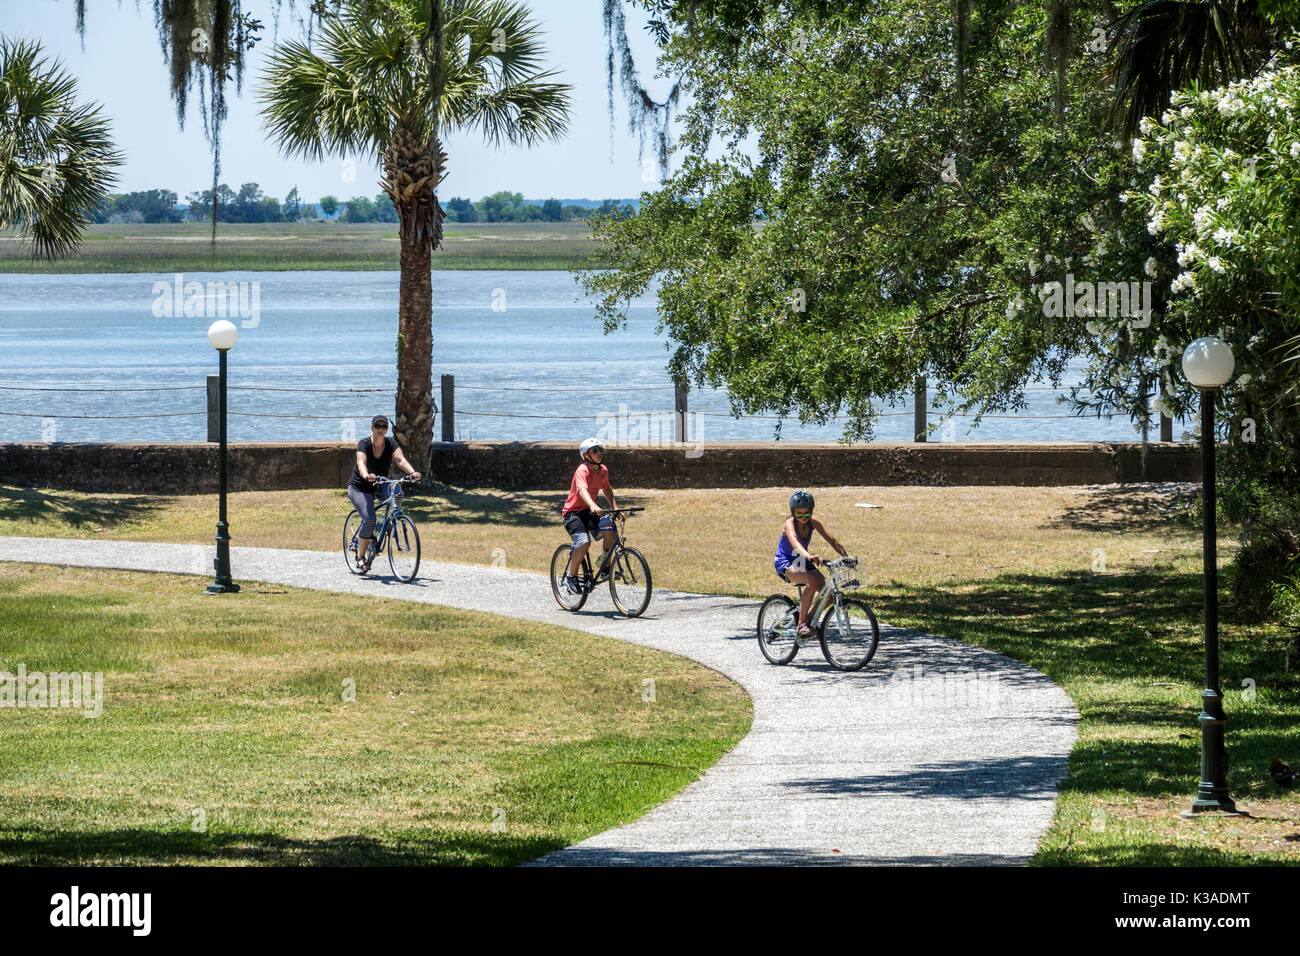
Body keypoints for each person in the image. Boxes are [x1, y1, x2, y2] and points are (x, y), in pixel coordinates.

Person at [348, 415, 420, 573]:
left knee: (398, 493)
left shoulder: (390, 443)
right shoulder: (364, 444)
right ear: (372, 428)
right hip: (360, 487)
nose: (381, 429)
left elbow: (400, 459)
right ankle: (360, 557)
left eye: (384, 427)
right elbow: (361, 463)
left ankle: (387, 523)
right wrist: (367, 475)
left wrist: (412, 472)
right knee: (369, 518)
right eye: (377, 426)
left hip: (380, 483)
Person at [774, 490, 848, 640]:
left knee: (830, 594)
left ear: (811, 512)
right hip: (786, 561)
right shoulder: (789, 524)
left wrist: (846, 557)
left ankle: (808, 619)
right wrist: (809, 556)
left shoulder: (813, 522)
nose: (803, 517)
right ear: (792, 512)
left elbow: (832, 540)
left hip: (802, 561)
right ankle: (801, 624)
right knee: (811, 581)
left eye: (807, 514)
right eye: (798, 514)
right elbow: (795, 543)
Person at [561, 437, 619, 594]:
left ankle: (605, 565)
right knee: (584, 542)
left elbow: (606, 488)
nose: (599, 453)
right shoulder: (583, 470)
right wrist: (593, 505)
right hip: (573, 514)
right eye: (595, 450)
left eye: (601, 450)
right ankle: (570, 576)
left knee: (610, 529)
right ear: (586, 455)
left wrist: (615, 506)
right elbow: (582, 490)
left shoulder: (603, 470)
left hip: (590, 511)